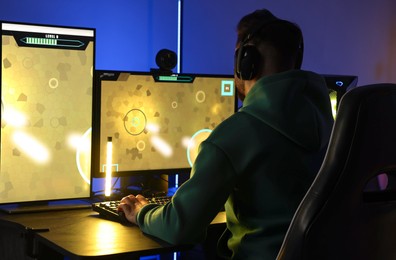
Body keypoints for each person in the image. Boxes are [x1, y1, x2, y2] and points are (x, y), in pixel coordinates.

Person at [118, 9, 334, 259]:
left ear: (245, 62)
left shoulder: (235, 135)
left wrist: (142, 211)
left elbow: (179, 227)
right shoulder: (335, 126)